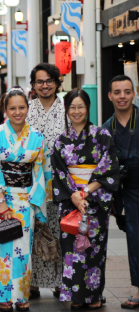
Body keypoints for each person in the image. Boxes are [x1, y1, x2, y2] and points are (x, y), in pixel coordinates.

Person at [0, 87, 47, 312]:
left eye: (22, 107)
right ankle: (3, 297)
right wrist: (1, 201)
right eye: (12, 108)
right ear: (5, 109)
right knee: (0, 247)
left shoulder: (36, 136)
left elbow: (40, 172)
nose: (18, 112)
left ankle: (21, 295)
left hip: (25, 199)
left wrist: (35, 202)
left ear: (28, 108)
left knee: (23, 249)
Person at [53, 89, 119, 309]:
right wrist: (74, 195)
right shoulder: (61, 141)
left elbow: (108, 168)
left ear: (88, 108)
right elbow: (59, 172)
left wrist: (85, 193)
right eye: (72, 107)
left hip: (94, 200)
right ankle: (77, 296)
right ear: (66, 110)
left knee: (95, 249)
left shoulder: (102, 135)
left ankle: (94, 295)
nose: (76, 111)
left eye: (81, 106)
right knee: (72, 250)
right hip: (71, 203)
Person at [25, 63, 65, 298]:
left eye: (49, 80)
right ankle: (33, 282)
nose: (45, 85)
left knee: (59, 229)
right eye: (39, 81)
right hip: (31, 181)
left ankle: (60, 281)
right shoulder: (26, 109)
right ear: (33, 85)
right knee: (34, 229)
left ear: (57, 83)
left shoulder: (67, 108)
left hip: (61, 180)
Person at [101, 75, 139, 309]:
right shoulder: (107, 129)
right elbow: (105, 167)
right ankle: (137, 288)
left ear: (134, 94)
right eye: (117, 92)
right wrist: (114, 202)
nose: (122, 96)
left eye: (127, 91)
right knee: (135, 240)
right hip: (128, 189)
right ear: (110, 96)